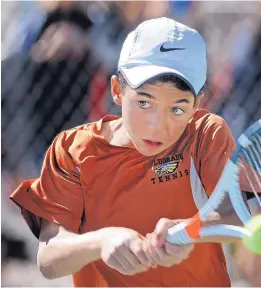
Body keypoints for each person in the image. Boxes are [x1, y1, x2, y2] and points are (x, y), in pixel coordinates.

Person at [9, 17, 240, 287]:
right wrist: (104, 241)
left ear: (198, 104)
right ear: (117, 90)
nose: (157, 125)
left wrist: (190, 229)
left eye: (177, 108)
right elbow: (49, 257)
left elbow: (243, 212)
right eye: (144, 102)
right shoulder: (73, 149)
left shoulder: (206, 134)